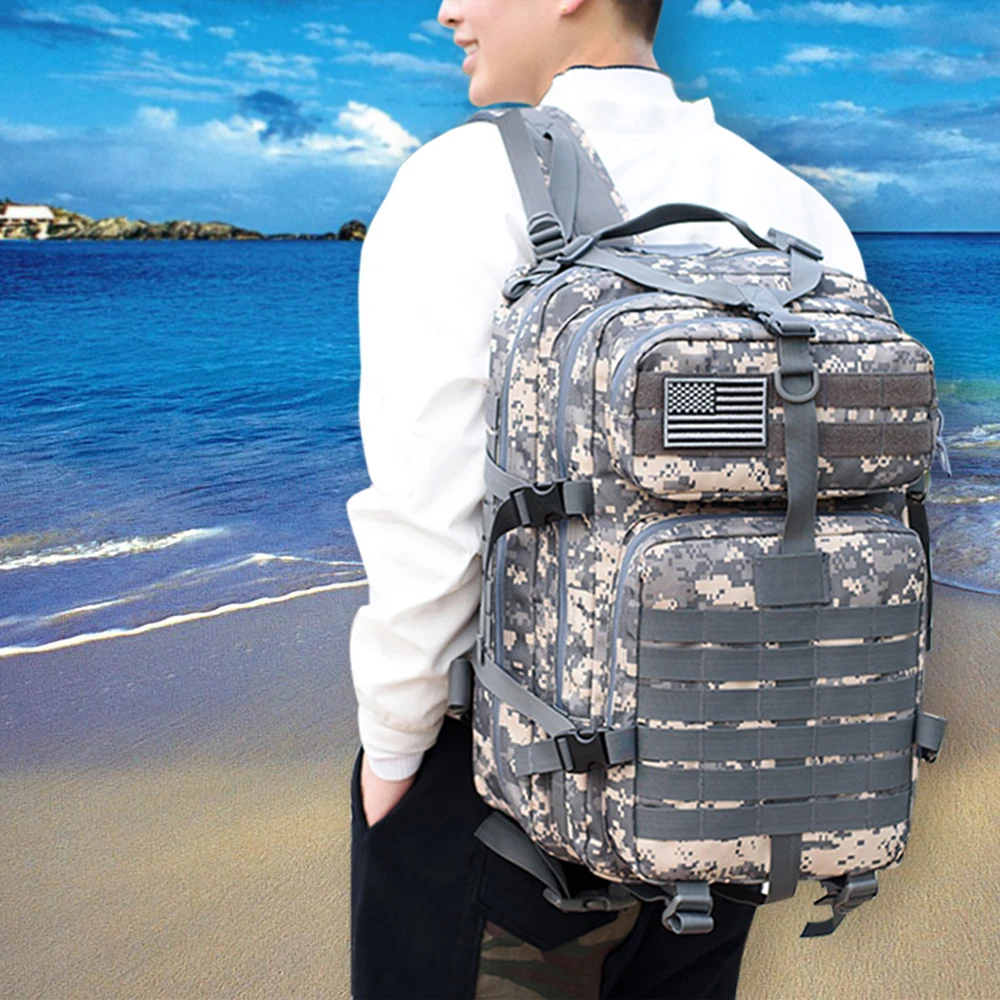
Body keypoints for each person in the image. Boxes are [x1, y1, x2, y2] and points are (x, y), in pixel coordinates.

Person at [347, 1, 867, 996]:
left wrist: (392, 752)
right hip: (737, 781)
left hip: (507, 794)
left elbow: (430, 521)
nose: (446, 10)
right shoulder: (801, 211)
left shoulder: (463, 181)